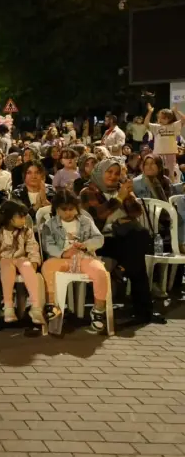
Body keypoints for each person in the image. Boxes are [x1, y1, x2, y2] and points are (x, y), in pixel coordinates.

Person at [80, 159, 165, 325]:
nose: (113, 176)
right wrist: (119, 199)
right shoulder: (88, 191)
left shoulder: (120, 189)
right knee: (137, 258)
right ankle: (143, 311)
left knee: (138, 242)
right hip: (98, 242)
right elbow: (99, 217)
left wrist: (128, 197)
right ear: (100, 172)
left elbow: (136, 212)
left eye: (117, 173)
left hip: (122, 240)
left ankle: (123, 272)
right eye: (109, 172)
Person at [41, 190, 108, 333]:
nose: (68, 213)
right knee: (47, 267)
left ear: (77, 208)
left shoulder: (85, 221)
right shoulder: (50, 224)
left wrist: (85, 245)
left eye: (71, 209)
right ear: (57, 209)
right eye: (63, 210)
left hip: (84, 258)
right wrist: (63, 253)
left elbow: (99, 239)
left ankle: (98, 311)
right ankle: (52, 305)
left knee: (100, 272)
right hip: (62, 259)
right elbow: (47, 244)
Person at [0, 200, 44, 325]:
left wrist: (34, 262)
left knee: (27, 267)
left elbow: (33, 247)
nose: (23, 220)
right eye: (20, 217)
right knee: (7, 267)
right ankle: (8, 306)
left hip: (21, 259)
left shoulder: (26, 231)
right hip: (4, 260)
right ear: (9, 218)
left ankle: (36, 307)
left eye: (24, 217)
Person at [144, 103, 184, 180]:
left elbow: (183, 119)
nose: (159, 119)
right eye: (159, 117)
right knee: (158, 172)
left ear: (167, 118)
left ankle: (171, 187)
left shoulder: (174, 126)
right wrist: (150, 112)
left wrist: (176, 111)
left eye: (161, 117)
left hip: (170, 153)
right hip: (158, 153)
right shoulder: (156, 127)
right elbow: (146, 123)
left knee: (171, 172)